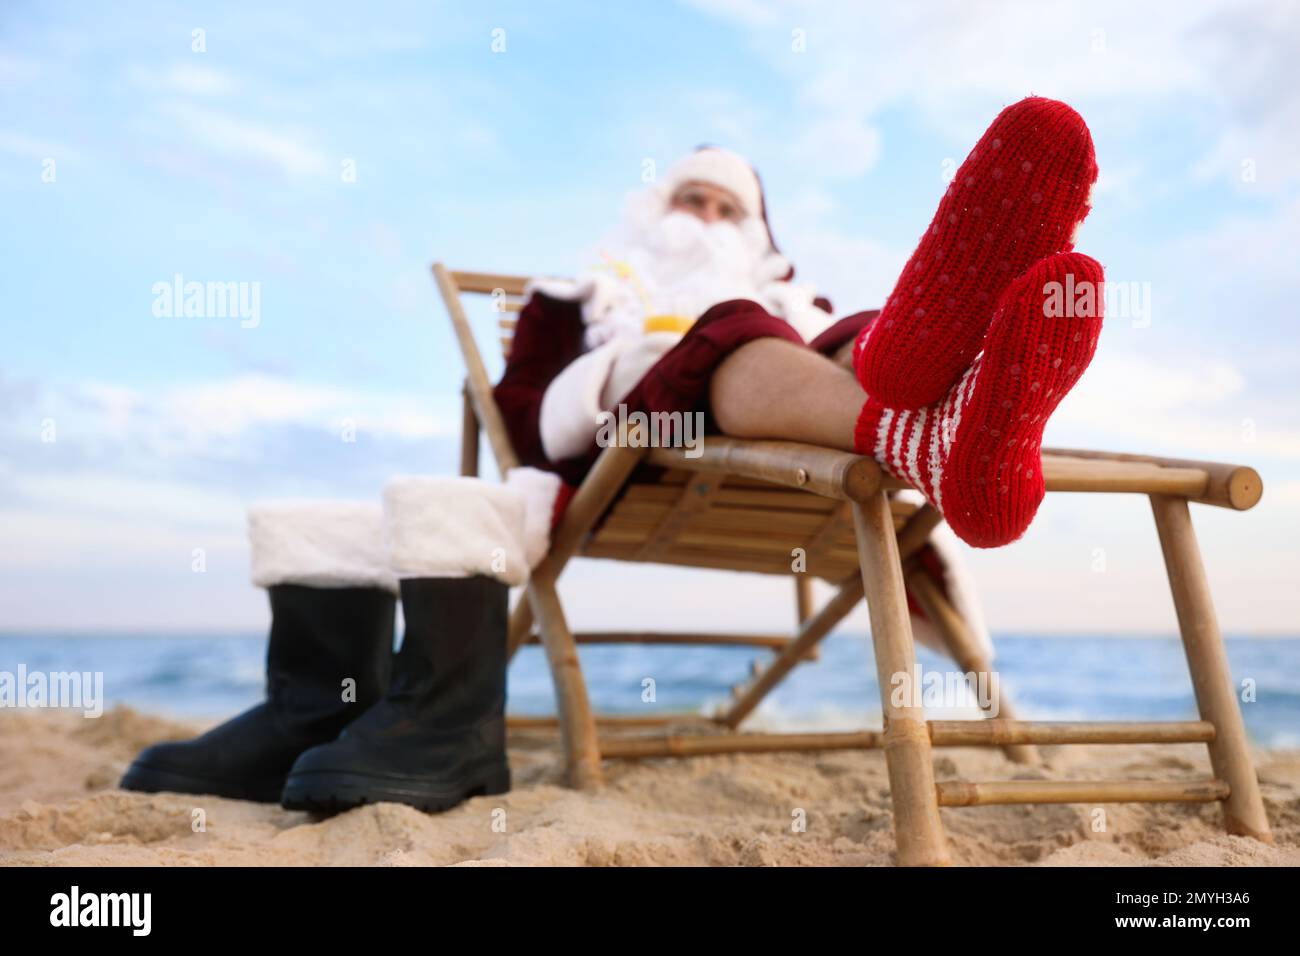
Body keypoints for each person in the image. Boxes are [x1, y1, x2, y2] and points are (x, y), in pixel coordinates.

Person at [497, 96, 1101, 548]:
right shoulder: (571, 298)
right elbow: (522, 412)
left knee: (844, 331)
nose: (708, 219)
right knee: (737, 326)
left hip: (783, 387)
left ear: (754, 230)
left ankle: (906, 371)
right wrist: (573, 413)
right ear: (656, 208)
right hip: (638, 435)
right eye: (692, 200)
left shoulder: (784, 296)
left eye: (729, 208)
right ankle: (927, 433)